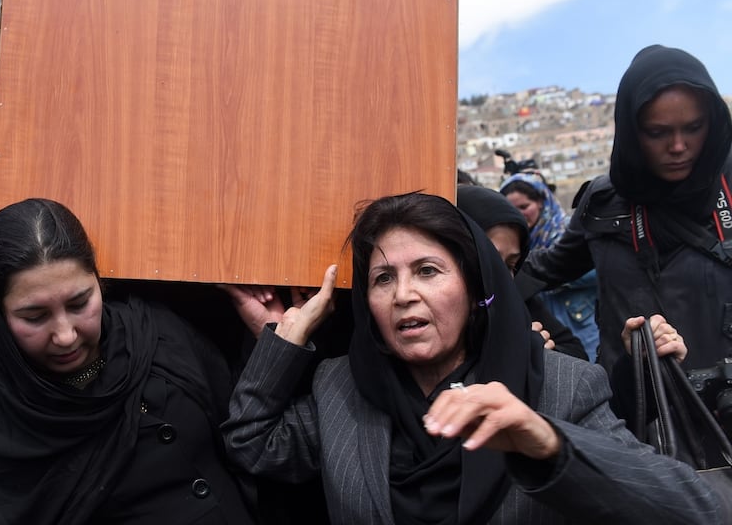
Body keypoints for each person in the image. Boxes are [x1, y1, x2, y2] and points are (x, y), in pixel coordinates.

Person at [222, 192, 726, 524]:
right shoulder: (342, 387)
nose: (403, 295)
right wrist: (279, 342)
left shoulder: (562, 386)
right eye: (383, 279)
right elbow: (252, 445)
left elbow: (698, 508)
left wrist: (547, 443)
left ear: (473, 286)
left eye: (427, 270)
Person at [0, 198, 256, 524]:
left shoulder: (159, 335)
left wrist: (272, 343)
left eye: (79, 303)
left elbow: (250, 433)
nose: (66, 336)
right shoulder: (1, 421)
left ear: (99, 282)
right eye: (35, 316)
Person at [523, 44, 732, 374]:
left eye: (693, 128)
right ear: (632, 132)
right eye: (657, 132)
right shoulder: (603, 202)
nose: (678, 146)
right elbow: (545, 270)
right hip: (637, 411)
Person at [457, 184, 587, 360]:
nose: (501, 276)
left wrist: (541, 355)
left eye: (511, 265)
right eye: (490, 260)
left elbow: (575, 353)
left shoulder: (517, 296)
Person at [501, 173, 601, 360]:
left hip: (580, 322)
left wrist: (551, 279)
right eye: (512, 209)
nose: (519, 214)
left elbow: (596, 269)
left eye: (524, 207)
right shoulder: (517, 242)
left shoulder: (566, 229)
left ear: (541, 202)